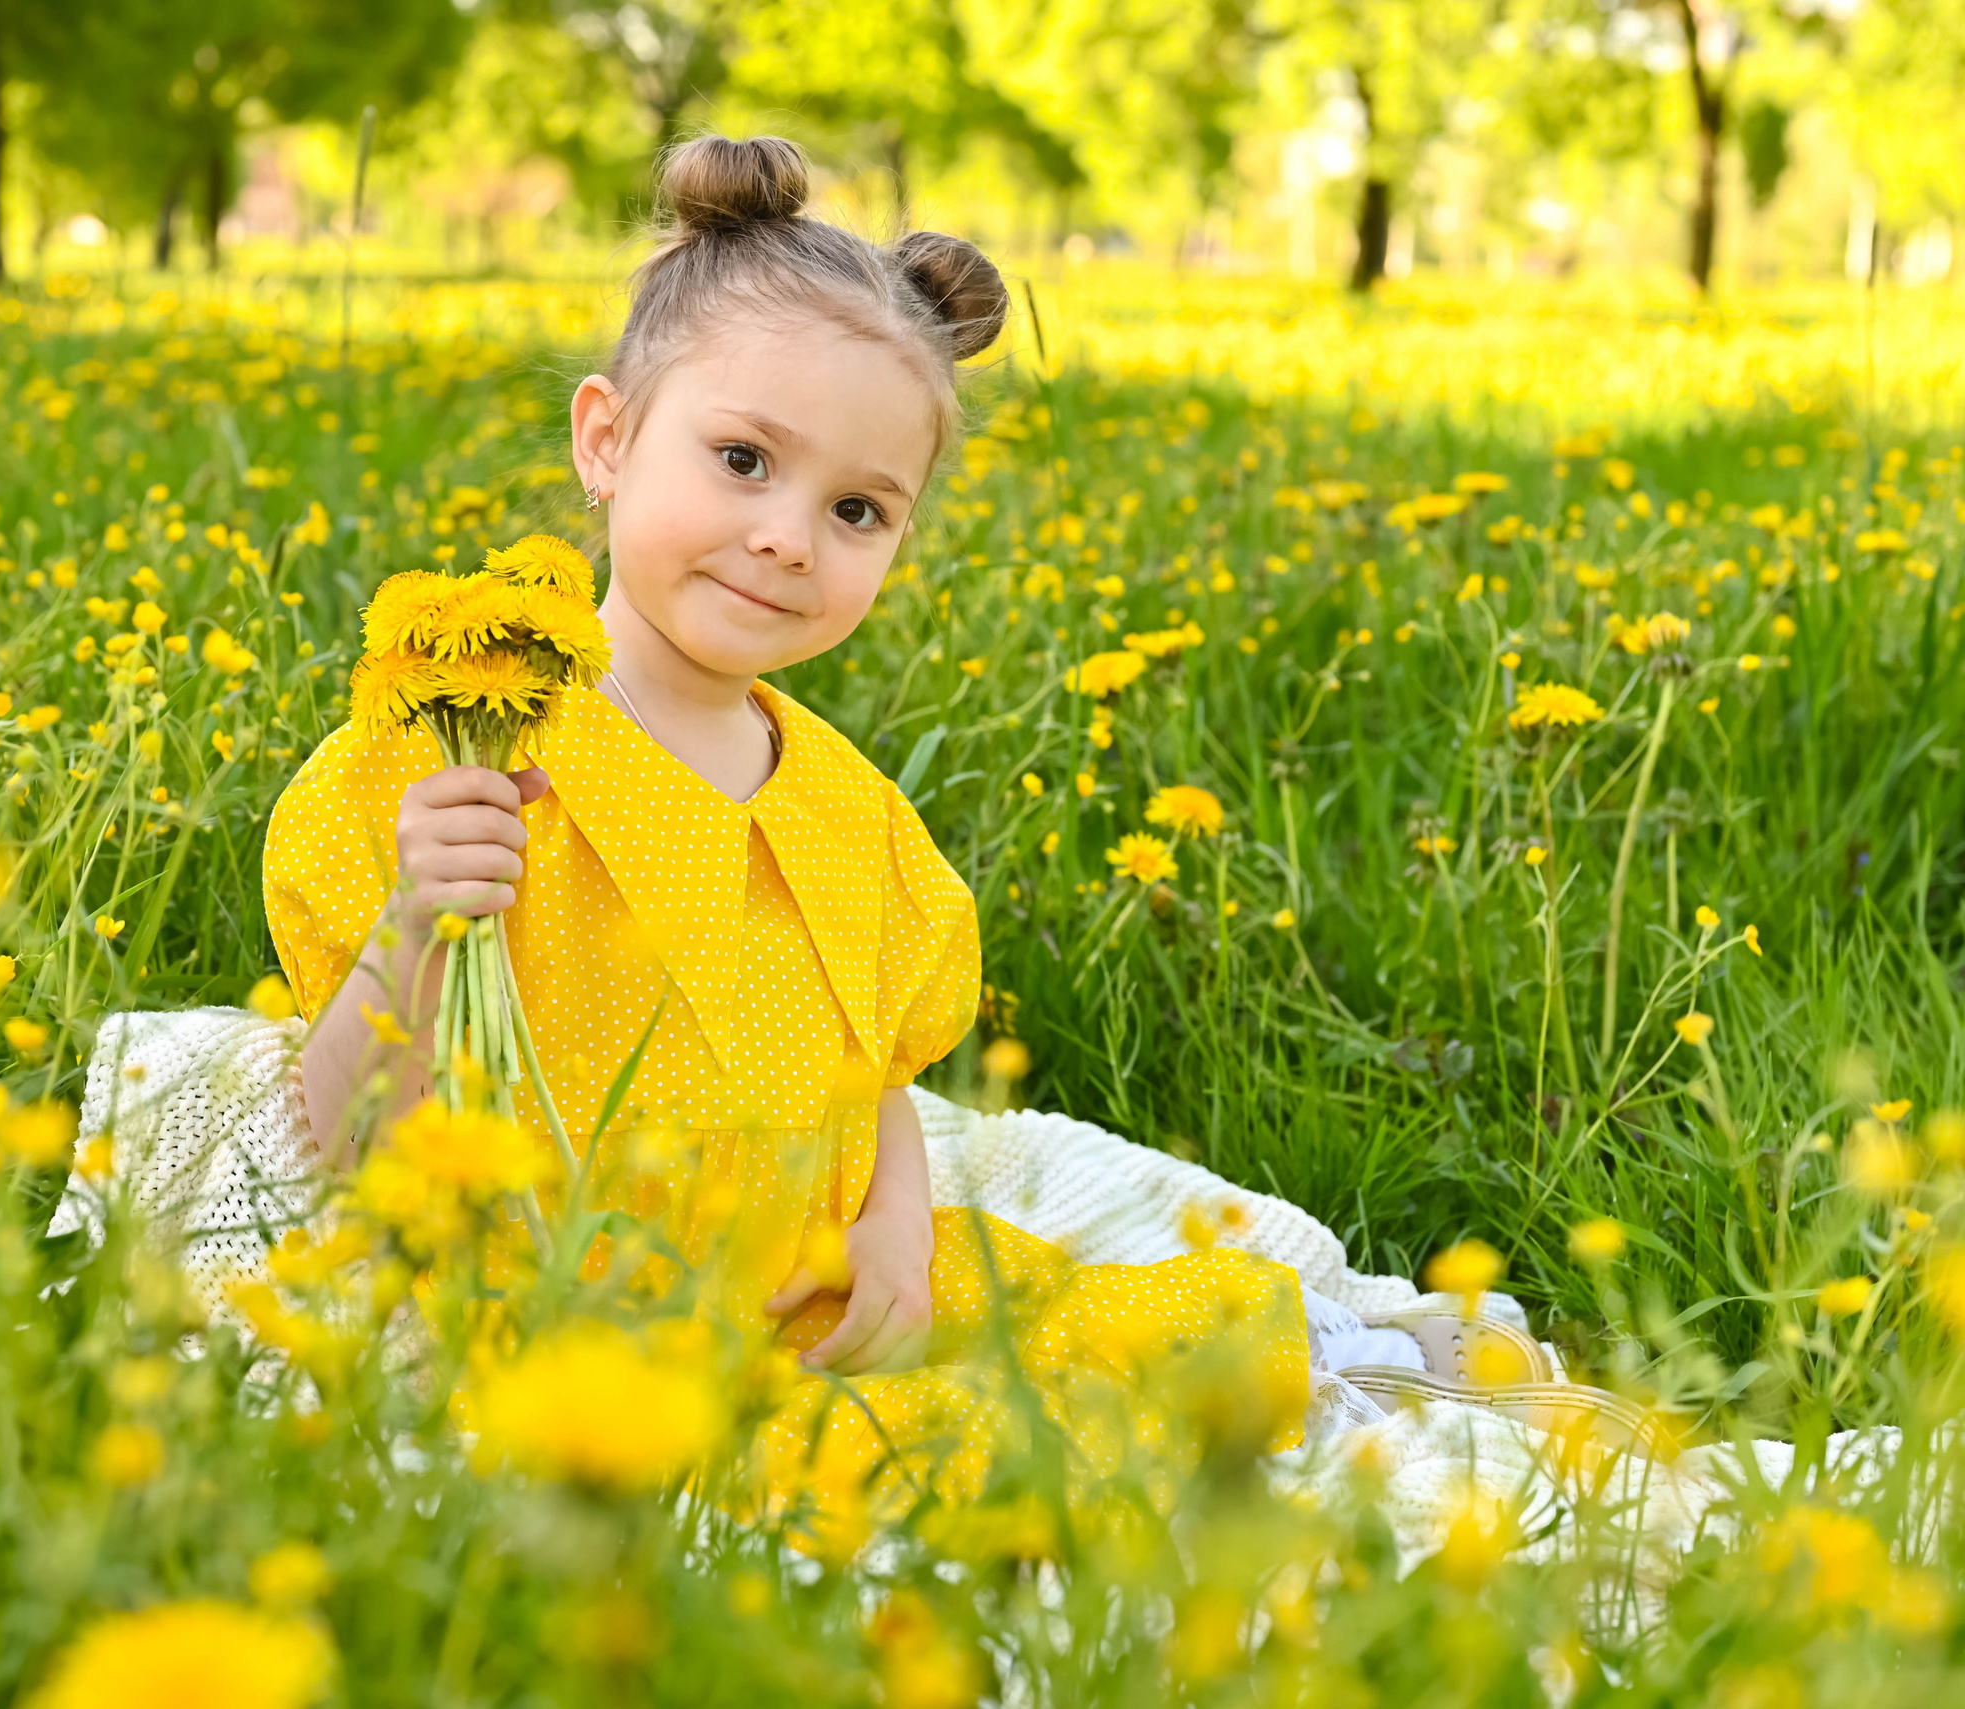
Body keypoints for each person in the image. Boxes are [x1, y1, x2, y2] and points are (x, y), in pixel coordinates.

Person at [259, 134, 1312, 1512]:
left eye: (858, 509)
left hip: (798, 1287)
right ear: (607, 438)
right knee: (810, 1476)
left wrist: (890, 1234)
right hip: (562, 1292)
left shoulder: (847, 808)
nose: (789, 538)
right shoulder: (466, 751)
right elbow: (337, 1143)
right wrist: (420, 916)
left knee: (1186, 1336)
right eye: (744, 458)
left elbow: (874, 1071)